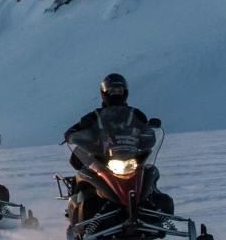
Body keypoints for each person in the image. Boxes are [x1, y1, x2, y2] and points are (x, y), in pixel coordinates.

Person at [62, 72, 173, 220]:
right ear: (105, 92)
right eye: (112, 91)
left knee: (150, 174)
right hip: (103, 158)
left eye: (119, 90)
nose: (116, 94)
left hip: (131, 157)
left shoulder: (135, 114)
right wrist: (73, 134)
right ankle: (78, 219)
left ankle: (156, 214)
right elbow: (78, 127)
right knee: (83, 174)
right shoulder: (95, 115)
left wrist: (149, 132)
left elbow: (146, 131)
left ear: (125, 92)